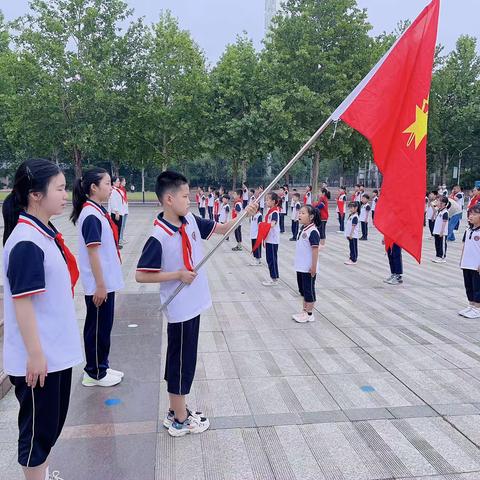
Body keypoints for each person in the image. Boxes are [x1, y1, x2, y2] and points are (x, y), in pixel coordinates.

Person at [135, 171, 256, 437]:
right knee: (180, 362)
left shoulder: (189, 219)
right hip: (179, 308)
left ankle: (176, 409)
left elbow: (222, 230)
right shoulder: (159, 235)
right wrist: (177, 275)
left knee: (184, 360)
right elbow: (141, 274)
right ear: (169, 199)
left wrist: (244, 214)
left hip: (193, 304)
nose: (190, 201)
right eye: (185, 196)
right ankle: (180, 419)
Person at [2, 159, 83, 480]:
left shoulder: (42, 233)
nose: (66, 195)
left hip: (54, 351)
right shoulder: (26, 241)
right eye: (60, 188)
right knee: (37, 432)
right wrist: (35, 355)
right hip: (40, 358)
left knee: (49, 426)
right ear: (36, 195)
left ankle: (42, 474)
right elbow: (22, 303)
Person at [71, 168, 124, 387]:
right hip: (99, 285)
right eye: (107, 184)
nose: (111, 187)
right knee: (96, 328)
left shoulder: (97, 212)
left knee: (103, 327)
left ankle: (102, 365)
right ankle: (93, 372)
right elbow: (93, 253)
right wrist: (100, 285)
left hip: (105, 282)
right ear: (93, 188)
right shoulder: (91, 215)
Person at [292, 205, 321, 323]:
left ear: (311, 217)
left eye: (303, 213)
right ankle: (304, 311)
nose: (300, 215)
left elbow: (315, 250)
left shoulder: (313, 231)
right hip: (301, 267)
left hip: (308, 268)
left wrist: (313, 267)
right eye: (299, 213)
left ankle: (309, 314)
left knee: (309, 291)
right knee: (303, 290)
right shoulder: (304, 229)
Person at [458, 204, 480, 318]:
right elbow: (465, 245)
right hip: (467, 263)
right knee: (469, 286)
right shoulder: (468, 229)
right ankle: (471, 305)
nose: (471, 216)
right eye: (470, 214)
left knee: (477, 287)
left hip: (476, 265)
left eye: (475, 214)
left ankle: (477, 308)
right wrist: (462, 260)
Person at [262, 192, 281, 286]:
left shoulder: (274, 212)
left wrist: (263, 226)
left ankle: (273, 279)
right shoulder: (270, 211)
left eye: (268, 199)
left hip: (273, 240)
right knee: (270, 258)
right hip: (269, 239)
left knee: (271, 259)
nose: (266, 201)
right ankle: (274, 276)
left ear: (273, 201)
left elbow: (273, 224)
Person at [108, 177, 124, 250]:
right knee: (116, 229)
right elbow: (113, 202)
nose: (119, 182)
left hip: (118, 212)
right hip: (116, 213)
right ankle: (115, 244)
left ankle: (116, 243)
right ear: (113, 183)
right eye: (117, 181)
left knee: (118, 229)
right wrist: (117, 212)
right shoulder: (113, 191)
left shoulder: (116, 190)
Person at [432, 196, 449, 263]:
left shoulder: (445, 212)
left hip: (442, 232)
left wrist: (442, 232)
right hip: (437, 231)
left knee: (442, 244)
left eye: (439, 201)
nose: (437, 202)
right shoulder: (440, 211)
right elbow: (434, 208)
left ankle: (442, 257)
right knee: (437, 244)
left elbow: (444, 223)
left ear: (443, 203)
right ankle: (438, 256)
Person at [119, 177, 129, 245]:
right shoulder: (119, 190)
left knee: (123, 226)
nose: (125, 182)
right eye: (124, 181)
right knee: (121, 225)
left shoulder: (123, 189)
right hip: (121, 211)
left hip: (125, 210)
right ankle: (119, 239)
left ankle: (121, 238)